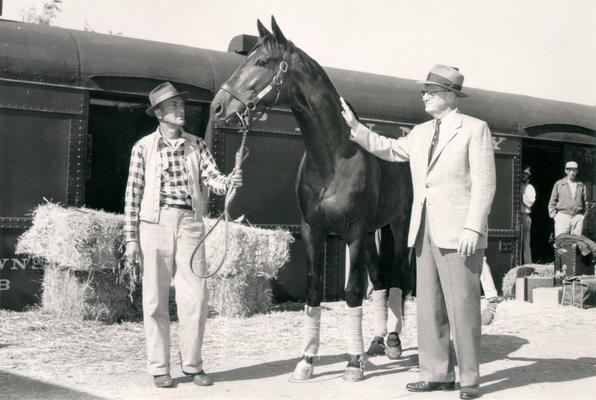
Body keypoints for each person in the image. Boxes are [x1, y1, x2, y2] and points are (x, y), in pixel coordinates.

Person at [341, 64, 496, 400]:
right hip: (423, 228)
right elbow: (390, 149)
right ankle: (438, 374)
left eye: (430, 90)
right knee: (429, 305)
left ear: (450, 96)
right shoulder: (421, 131)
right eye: (423, 90)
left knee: (464, 306)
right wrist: (355, 128)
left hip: (460, 232)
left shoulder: (475, 129)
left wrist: (473, 225)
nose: (423, 95)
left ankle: (469, 378)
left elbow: (484, 185)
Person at [124, 82, 243, 388]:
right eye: (174, 106)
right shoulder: (143, 148)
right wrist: (130, 239)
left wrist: (229, 181)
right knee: (155, 300)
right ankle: (160, 367)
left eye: (181, 105)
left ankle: (192, 365)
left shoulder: (197, 145)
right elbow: (132, 195)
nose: (181, 111)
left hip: (191, 224)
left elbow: (212, 178)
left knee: (197, 298)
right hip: (154, 224)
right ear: (159, 114)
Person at [548, 161, 587, 237]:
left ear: (577, 171)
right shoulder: (559, 184)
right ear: (566, 171)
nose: (572, 172)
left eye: (574, 170)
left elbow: (586, 203)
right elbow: (552, 202)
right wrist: (555, 217)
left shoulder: (581, 185)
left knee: (574, 243)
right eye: (570, 170)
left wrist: (583, 217)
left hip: (577, 217)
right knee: (562, 243)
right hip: (563, 216)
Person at [521, 166, 536, 264]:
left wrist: (521, 193)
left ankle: (528, 264)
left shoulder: (530, 188)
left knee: (525, 242)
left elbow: (530, 202)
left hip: (524, 215)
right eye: (523, 173)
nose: (524, 175)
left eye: (526, 174)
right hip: (515, 216)